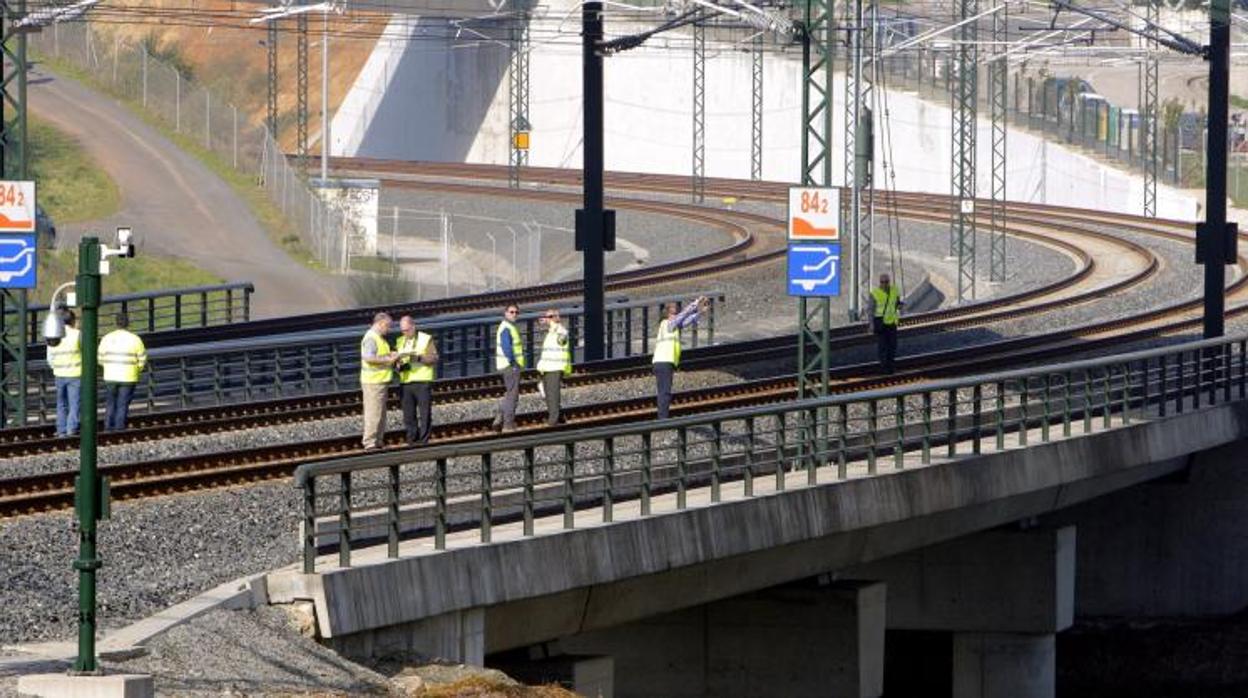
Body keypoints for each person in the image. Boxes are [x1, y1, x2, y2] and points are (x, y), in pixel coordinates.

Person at [652, 296, 710, 419]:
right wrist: (696, 302)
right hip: (664, 361)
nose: (676, 315)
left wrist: (700, 312)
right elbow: (683, 315)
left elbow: (687, 320)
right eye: (674, 313)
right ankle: (663, 420)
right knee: (665, 392)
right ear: (668, 314)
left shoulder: (672, 325)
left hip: (664, 362)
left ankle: (662, 417)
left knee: (664, 391)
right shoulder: (668, 323)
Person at [98, 313, 147, 431]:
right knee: (122, 404)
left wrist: (107, 367)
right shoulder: (135, 339)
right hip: (128, 377)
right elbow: (142, 359)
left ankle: (108, 427)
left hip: (110, 376)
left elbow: (100, 358)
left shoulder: (107, 338)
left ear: (116, 323)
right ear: (128, 323)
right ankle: (119, 428)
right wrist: (137, 369)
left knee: (110, 403)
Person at [395, 315, 437, 445]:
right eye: (402, 330)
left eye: (407, 330)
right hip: (406, 382)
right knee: (408, 414)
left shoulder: (425, 339)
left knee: (424, 414)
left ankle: (424, 440)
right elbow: (397, 362)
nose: (405, 333)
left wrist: (418, 358)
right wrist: (398, 366)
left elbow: (434, 358)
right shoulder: (400, 341)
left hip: (422, 381)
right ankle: (412, 439)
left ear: (413, 326)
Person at [360, 312, 398, 450]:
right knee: (373, 413)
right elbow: (369, 358)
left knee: (380, 413)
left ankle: (378, 440)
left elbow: (377, 356)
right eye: (388, 326)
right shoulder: (371, 338)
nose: (389, 329)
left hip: (380, 381)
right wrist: (388, 359)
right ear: (381, 323)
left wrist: (390, 355)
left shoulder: (379, 338)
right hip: (373, 382)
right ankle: (370, 442)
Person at [48, 308, 82, 437]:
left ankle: (61, 430)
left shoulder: (54, 335)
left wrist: (56, 367)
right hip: (75, 374)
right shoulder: (77, 334)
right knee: (75, 404)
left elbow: (50, 357)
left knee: (61, 404)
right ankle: (71, 429)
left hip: (59, 374)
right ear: (72, 321)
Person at [535, 308, 572, 426]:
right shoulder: (550, 333)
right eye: (547, 317)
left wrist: (554, 325)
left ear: (557, 318)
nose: (548, 319)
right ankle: (560, 417)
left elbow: (562, 340)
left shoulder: (561, 331)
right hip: (547, 367)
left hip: (555, 367)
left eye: (551, 316)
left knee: (553, 395)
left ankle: (553, 420)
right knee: (547, 393)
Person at [491, 304, 525, 433]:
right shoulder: (506, 328)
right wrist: (513, 363)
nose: (514, 314)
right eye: (511, 312)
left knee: (510, 393)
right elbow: (507, 348)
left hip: (508, 365)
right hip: (510, 366)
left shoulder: (509, 326)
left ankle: (500, 414)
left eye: (516, 312)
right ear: (505, 313)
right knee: (513, 395)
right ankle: (508, 424)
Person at [867, 273, 903, 374]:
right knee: (883, 347)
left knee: (892, 346)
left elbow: (896, 303)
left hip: (892, 322)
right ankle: (884, 368)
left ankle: (891, 367)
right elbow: (870, 310)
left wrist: (900, 306)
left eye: (886, 282)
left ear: (889, 282)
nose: (884, 284)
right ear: (879, 282)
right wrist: (871, 324)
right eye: (882, 282)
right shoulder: (875, 293)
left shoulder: (894, 290)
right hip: (880, 323)